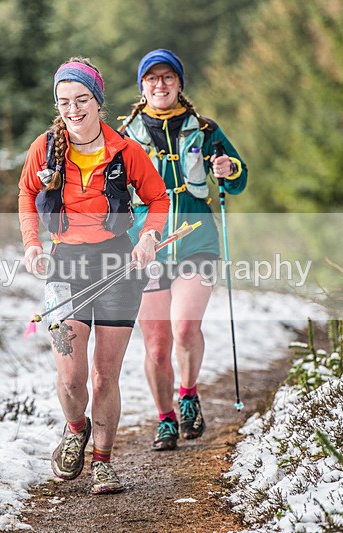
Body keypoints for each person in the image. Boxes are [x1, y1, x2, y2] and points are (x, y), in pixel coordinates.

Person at [18, 58, 169, 494]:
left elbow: (158, 198)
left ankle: (102, 461)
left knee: (105, 375)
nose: (73, 109)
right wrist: (31, 243)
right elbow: (27, 193)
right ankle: (75, 429)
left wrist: (148, 237)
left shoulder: (125, 151)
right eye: (64, 101)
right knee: (70, 377)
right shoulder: (45, 148)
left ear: (98, 101)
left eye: (82, 99)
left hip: (119, 265)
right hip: (64, 264)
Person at [119, 49, 248, 451]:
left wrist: (228, 169)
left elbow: (238, 179)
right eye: (152, 78)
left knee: (186, 327)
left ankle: (188, 395)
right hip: (148, 249)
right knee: (157, 346)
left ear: (179, 84)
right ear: (142, 87)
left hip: (197, 242)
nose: (160, 85)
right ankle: (165, 419)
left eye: (168, 77)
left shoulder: (205, 130)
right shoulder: (124, 137)